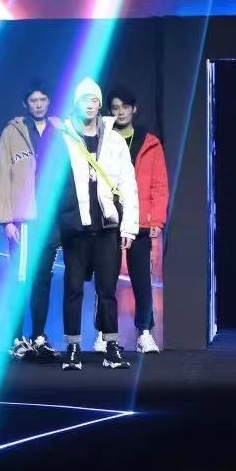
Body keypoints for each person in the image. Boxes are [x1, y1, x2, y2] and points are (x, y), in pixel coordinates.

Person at [57, 79, 140, 371]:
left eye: (94, 100)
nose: (90, 105)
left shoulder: (115, 140)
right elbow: (52, 186)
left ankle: (111, 346)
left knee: (107, 290)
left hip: (107, 227)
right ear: (76, 104)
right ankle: (72, 347)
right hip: (76, 226)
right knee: (73, 289)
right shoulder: (64, 138)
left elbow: (128, 184)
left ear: (100, 103)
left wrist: (129, 227)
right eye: (84, 100)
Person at [4, 85, 62, 361]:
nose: (38, 104)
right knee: (20, 279)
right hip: (23, 220)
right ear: (25, 103)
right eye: (33, 100)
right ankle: (15, 339)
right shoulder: (12, 132)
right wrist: (7, 220)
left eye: (42, 99)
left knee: (43, 278)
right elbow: (2, 175)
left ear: (49, 101)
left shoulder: (59, 131)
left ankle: (38, 336)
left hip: (49, 218)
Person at [109, 85, 167, 354]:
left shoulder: (150, 142)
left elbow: (159, 184)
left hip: (141, 221)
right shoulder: (104, 140)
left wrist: (157, 220)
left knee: (142, 280)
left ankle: (144, 332)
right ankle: (104, 334)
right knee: (106, 281)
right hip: (110, 220)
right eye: (115, 108)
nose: (120, 112)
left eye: (125, 107)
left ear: (134, 109)